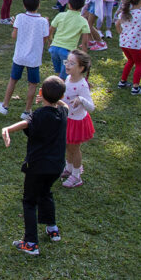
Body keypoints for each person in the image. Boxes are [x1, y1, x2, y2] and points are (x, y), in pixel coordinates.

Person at [0, 76, 68, 255]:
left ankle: (30, 243)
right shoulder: (62, 112)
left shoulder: (38, 115)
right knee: (46, 193)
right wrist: (55, 99)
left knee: (29, 201)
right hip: (56, 167)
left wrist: (7, 129)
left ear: (40, 93)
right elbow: (65, 105)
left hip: (37, 167)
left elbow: (25, 123)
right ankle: (52, 229)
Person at [0, 0, 50, 119]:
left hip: (19, 56)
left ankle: (5, 105)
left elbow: (14, 36)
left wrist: (15, 27)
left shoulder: (19, 17)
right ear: (39, 5)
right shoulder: (42, 21)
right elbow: (45, 38)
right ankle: (27, 111)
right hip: (34, 58)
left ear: (24, 5)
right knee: (32, 84)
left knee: (13, 80)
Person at [59, 50, 94, 188]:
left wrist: (81, 100)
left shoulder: (82, 85)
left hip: (77, 122)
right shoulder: (68, 78)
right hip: (68, 119)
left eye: (72, 63)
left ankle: (76, 176)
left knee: (74, 149)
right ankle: (69, 168)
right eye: (67, 62)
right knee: (68, 146)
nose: (67, 65)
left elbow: (91, 107)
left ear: (81, 68)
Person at [116, 0, 141, 93]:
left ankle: (122, 81)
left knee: (130, 60)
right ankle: (135, 88)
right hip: (134, 45)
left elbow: (117, 24)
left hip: (123, 43)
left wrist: (120, 33)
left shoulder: (124, 13)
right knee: (139, 64)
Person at [49, 0, 91, 79]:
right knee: (64, 77)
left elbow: (50, 31)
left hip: (54, 49)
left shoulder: (60, 15)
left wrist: (51, 41)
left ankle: (58, 88)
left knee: (59, 73)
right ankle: (61, 91)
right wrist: (84, 58)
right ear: (82, 6)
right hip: (67, 53)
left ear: (69, 4)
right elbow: (85, 43)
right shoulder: (83, 21)